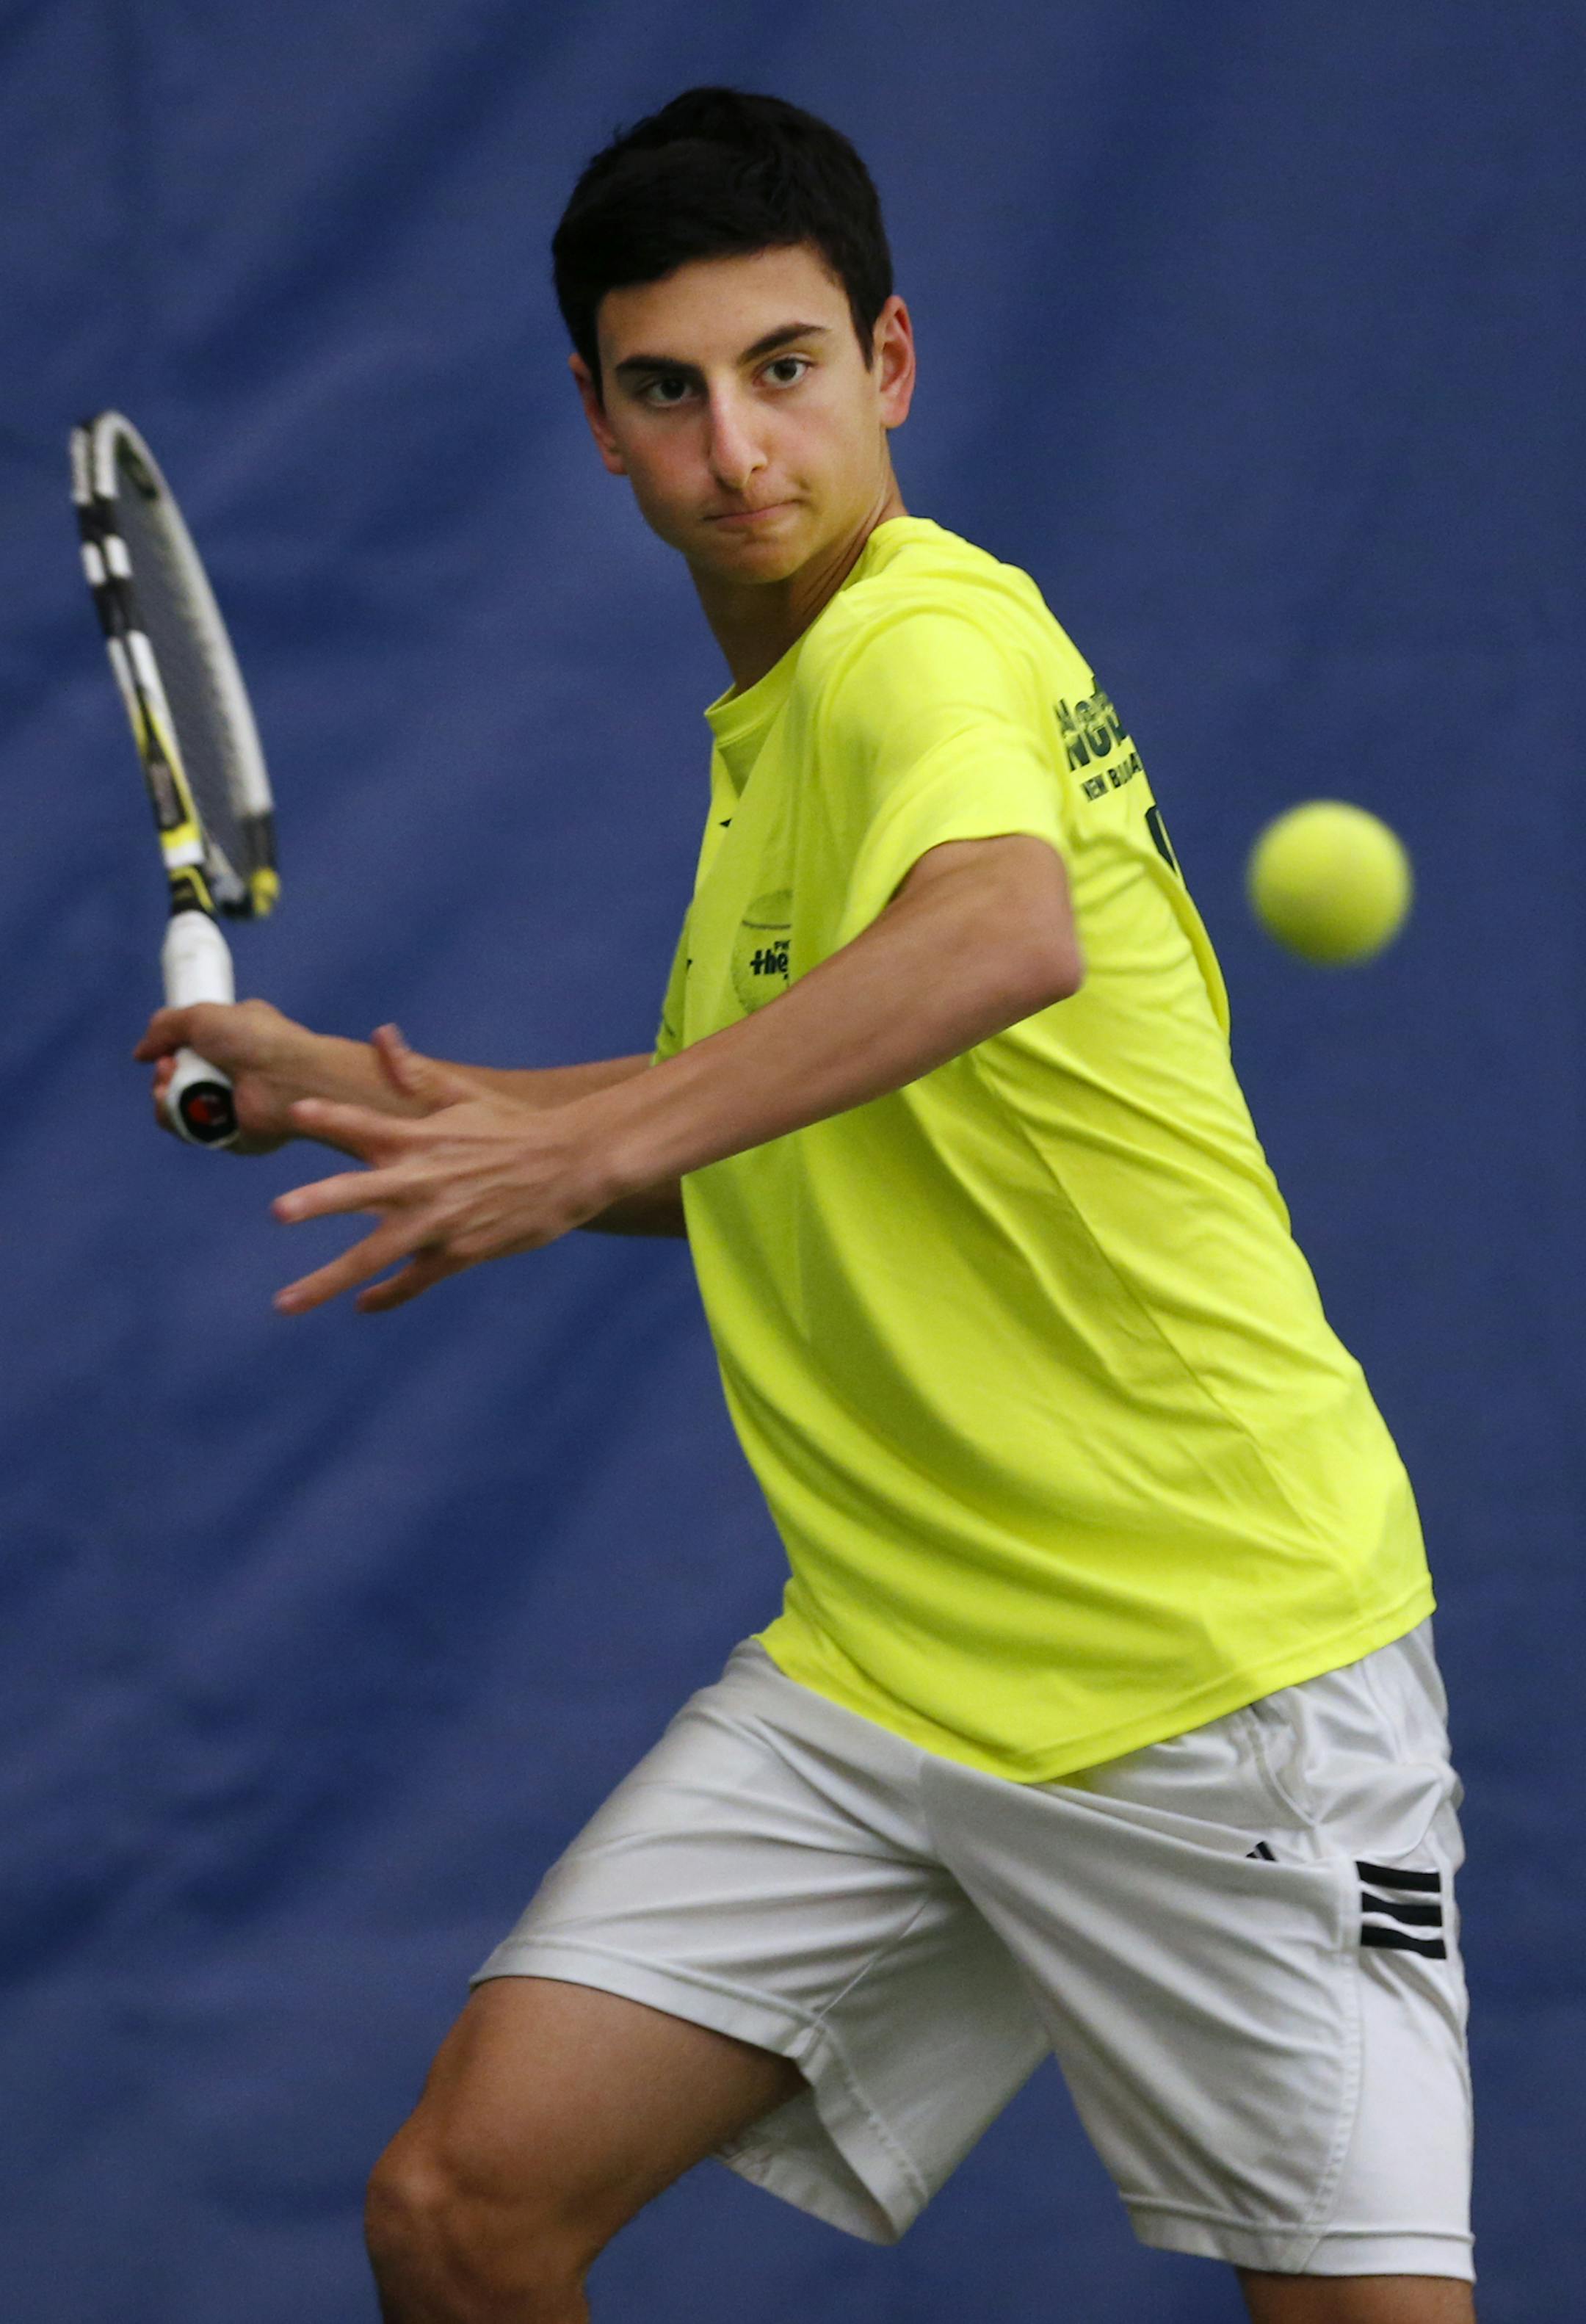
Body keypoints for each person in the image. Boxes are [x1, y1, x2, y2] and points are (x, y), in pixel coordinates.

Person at [136, 87, 1475, 2324]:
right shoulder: (772, 732)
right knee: (466, 2214)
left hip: (1207, 1670)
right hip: (890, 1669)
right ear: (596, 421)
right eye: (669, 391)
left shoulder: (913, 649)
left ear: (893, 369)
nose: (738, 449)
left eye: (787, 370)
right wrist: (395, 1107)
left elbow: (1002, 933)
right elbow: (780, 1138)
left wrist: (579, 1145)